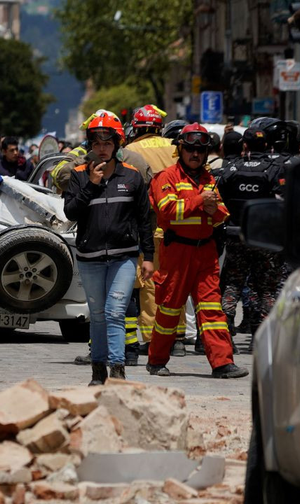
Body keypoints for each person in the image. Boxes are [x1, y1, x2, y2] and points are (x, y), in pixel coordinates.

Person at [147, 123, 248, 379]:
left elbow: (221, 215)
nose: (196, 154)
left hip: (206, 253)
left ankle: (222, 363)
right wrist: (200, 201)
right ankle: (157, 361)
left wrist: (215, 211)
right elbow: (167, 212)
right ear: (180, 149)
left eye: (200, 150)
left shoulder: (208, 179)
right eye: (190, 149)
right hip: (177, 252)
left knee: (212, 309)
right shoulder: (166, 177)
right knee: (170, 308)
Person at [63, 111, 154, 384]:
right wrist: (91, 185)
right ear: (90, 145)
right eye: (97, 142)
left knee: (116, 312)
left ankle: (117, 371)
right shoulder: (79, 176)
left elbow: (144, 219)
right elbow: (70, 212)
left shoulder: (133, 177)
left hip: (123, 257)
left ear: (117, 144)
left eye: (107, 142)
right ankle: (98, 370)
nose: (102, 148)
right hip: (89, 258)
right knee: (99, 315)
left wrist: (148, 257)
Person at [123, 106, 192, 357]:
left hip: (148, 226)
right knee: (176, 281)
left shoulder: (129, 152)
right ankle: (179, 337)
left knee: (151, 283)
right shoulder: (176, 147)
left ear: (136, 128)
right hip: (179, 223)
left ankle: (155, 338)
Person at [216, 127, 284, 351]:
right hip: (265, 239)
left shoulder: (231, 168)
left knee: (233, 284)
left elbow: (218, 200)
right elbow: (283, 202)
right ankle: (260, 337)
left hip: (236, 235)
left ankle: (225, 334)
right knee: (265, 287)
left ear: (245, 145)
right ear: (266, 146)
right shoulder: (275, 168)